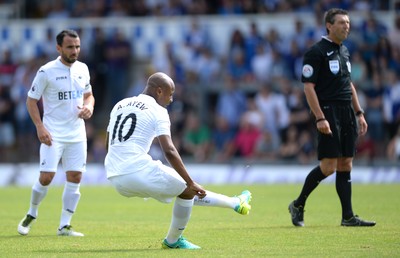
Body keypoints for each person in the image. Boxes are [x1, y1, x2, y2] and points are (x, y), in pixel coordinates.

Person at [104, 72, 252, 249]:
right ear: (159, 91)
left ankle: (235, 203)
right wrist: (190, 181)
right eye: (170, 93)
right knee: (188, 190)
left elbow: (108, 144)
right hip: (138, 171)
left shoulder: (120, 104)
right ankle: (173, 240)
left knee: (182, 191)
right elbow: (169, 150)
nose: (171, 99)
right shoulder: (158, 111)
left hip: (114, 175)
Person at [288, 8, 376, 227]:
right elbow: (308, 87)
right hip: (328, 111)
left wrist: (359, 113)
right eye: (342, 23)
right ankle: (298, 204)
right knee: (328, 166)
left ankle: (348, 217)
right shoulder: (316, 52)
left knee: (346, 163)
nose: (347, 26)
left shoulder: (345, 52)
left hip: (347, 112)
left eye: (348, 22)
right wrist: (320, 117)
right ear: (329, 25)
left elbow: (349, 85)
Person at [17, 29, 95, 236]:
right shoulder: (46, 71)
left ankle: (64, 225)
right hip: (53, 133)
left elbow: (89, 95)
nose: (75, 51)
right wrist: (40, 127)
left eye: (77, 46)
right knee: (47, 177)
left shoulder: (83, 69)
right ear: (58, 48)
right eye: (70, 47)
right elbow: (31, 100)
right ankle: (31, 213)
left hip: (77, 133)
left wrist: (90, 107)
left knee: (75, 176)